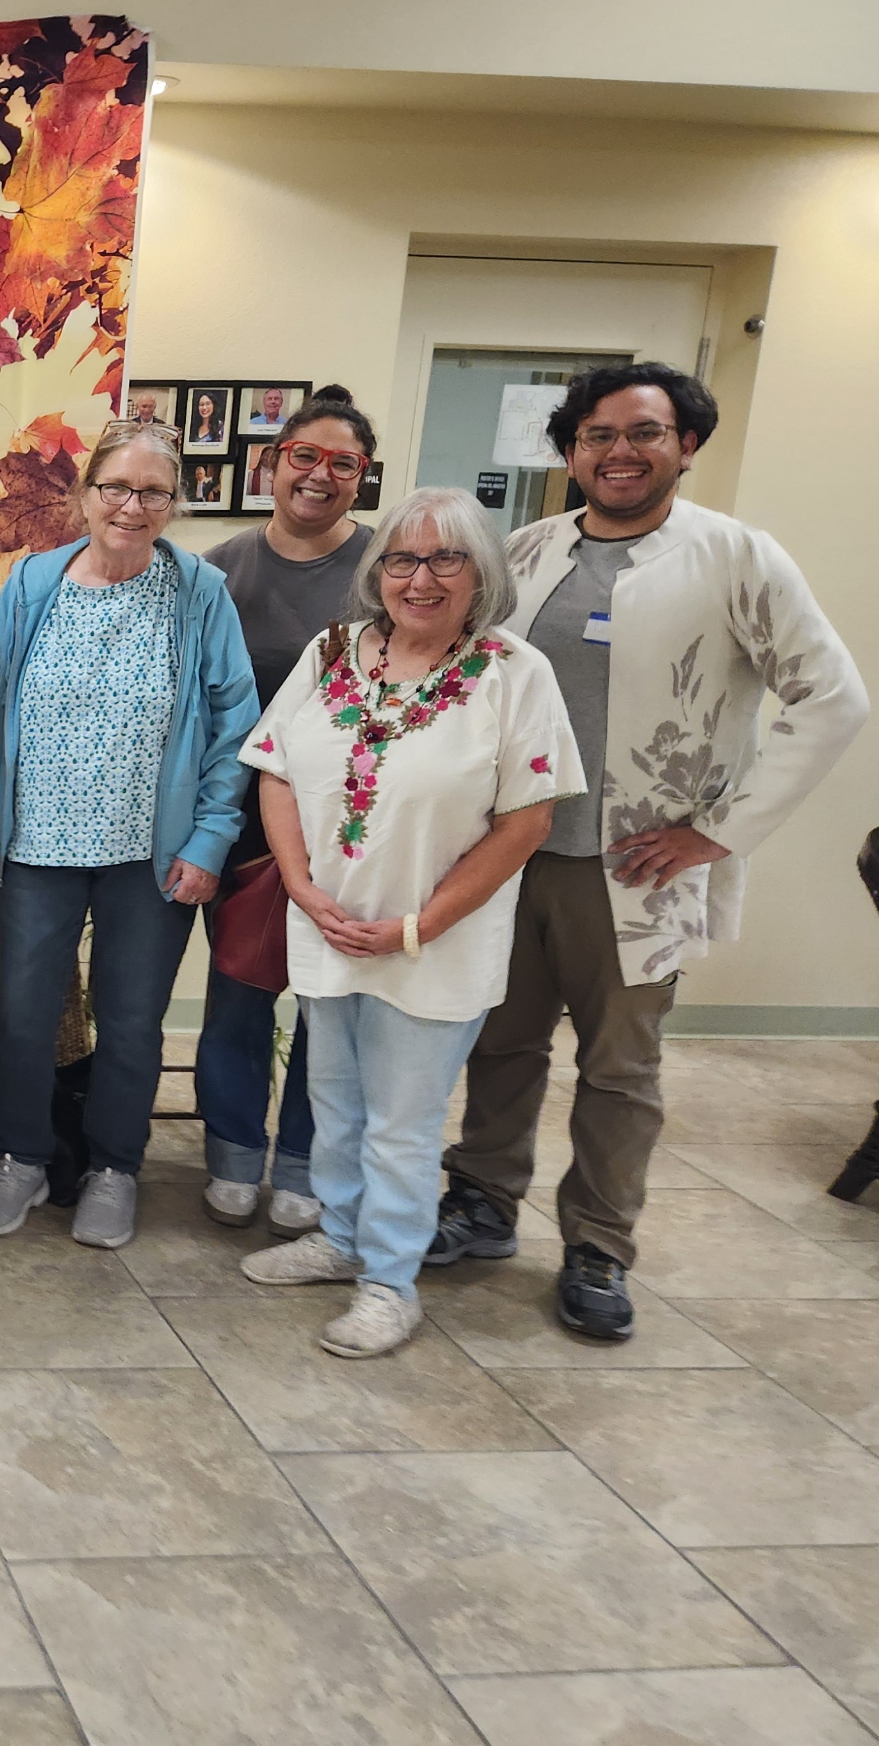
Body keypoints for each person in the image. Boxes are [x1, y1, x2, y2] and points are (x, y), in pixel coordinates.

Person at [430, 361, 868, 1339]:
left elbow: (833, 698)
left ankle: (597, 1246)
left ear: (687, 444)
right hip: (515, 851)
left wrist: (718, 830)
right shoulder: (532, 551)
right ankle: (481, 1206)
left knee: (619, 1068)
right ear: (570, 452)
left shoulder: (735, 558)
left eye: (642, 433)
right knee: (499, 1044)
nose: (617, 452)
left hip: (634, 865)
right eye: (595, 436)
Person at [238, 489, 584, 1357]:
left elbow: (527, 821)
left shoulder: (514, 673)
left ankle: (390, 1283)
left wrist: (418, 925)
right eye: (401, 559)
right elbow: (275, 770)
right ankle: (343, 1236)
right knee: (336, 1102)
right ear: (377, 572)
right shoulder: (333, 653)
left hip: (434, 946)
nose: (419, 578)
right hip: (327, 926)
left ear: (482, 575)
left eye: (445, 560)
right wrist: (300, 886)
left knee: (403, 1122)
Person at [0, 419, 256, 1250]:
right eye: (116, 488)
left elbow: (237, 729)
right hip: (37, 844)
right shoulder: (31, 584)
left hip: (149, 855)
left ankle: (114, 1167)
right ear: (85, 495)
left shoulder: (199, 593)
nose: (132, 506)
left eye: (153, 491)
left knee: (130, 1021)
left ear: (173, 504)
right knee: (22, 1015)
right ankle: (22, 1155)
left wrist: (208, 841)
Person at [194, 386, 379, 1235]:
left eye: (343, 464)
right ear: (273, 464)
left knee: (328, 1008)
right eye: (304, 456)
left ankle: (307, 1161)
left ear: (361, 478)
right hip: (240, 826)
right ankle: (233, 1152)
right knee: (237, 992)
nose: (320, 476)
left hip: (352, 829)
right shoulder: (219, 570)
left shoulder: (388, 573)